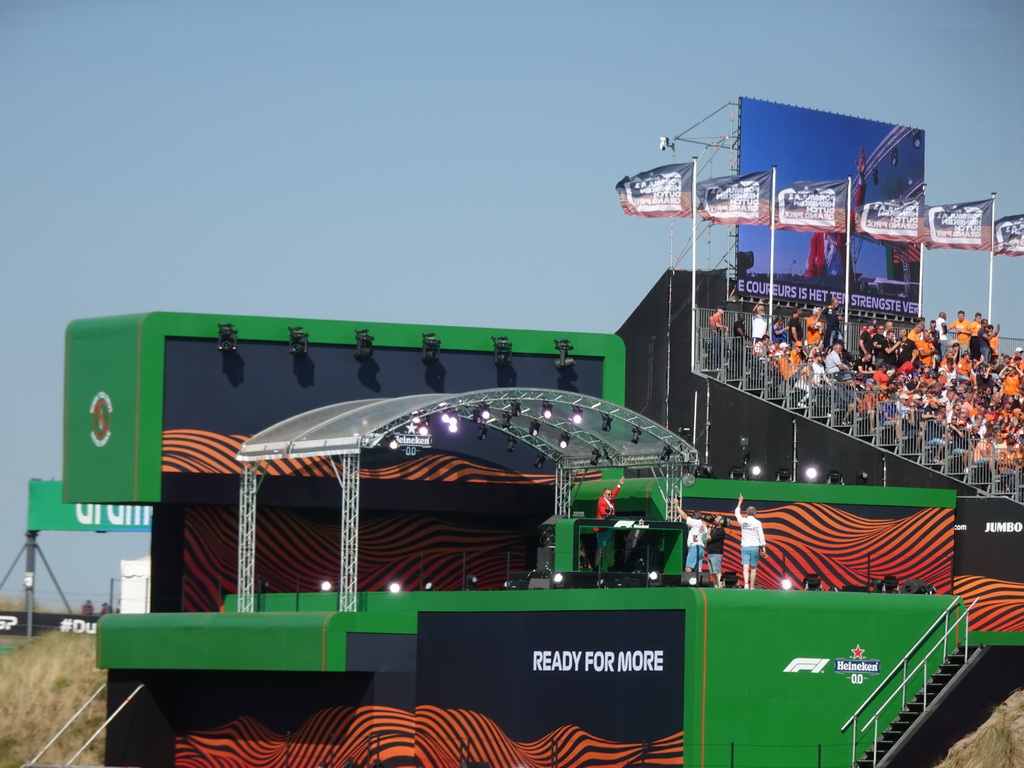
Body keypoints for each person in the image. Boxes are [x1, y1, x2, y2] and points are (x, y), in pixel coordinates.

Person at [734, 494, 767, 589]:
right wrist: (763, 548)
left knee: (745, 567)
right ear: (755, 513)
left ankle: (745, 585)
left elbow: (736, 512)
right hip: (755, 547)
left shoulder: (743, 521)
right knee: (753, 568)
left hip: (745, 547)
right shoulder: (757, 523)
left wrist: (740, 502)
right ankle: (752, 586)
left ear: (747, 513)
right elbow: (761, 536)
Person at [595, 477, 623, 571]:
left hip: (609, 527)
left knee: (609, 548)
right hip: (603, 528)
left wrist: (619, 485)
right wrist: (608, 515)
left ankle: (610, 566)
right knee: (601, 548)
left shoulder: (609, 499)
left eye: (611, 494)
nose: (611, 495)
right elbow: (604, 514)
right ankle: (597, 566)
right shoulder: (602, 502)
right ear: (604, 495)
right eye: (608, 494)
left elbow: (614, 493)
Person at [679, 505, 708, 574]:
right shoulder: (704, 526)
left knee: (688, 568)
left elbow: (684, 517)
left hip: (695, 547)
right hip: (701, 548)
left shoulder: (695, 523)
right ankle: (700, 584)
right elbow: (705, 540)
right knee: (699, 569)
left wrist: (677, 506)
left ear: (694, 517)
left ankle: (689, 584)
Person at [704, 515, 729, 588]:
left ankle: (720, 587)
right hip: (711, 553)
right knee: (713, 573)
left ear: (721, 521)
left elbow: (708, 537)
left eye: (718, 518)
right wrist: (710, 526)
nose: (715, 519)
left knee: (717, 572)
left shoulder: (721, 531)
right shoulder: (715, 529)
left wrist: (707, 532)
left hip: (716, 554)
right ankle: (716, 587)